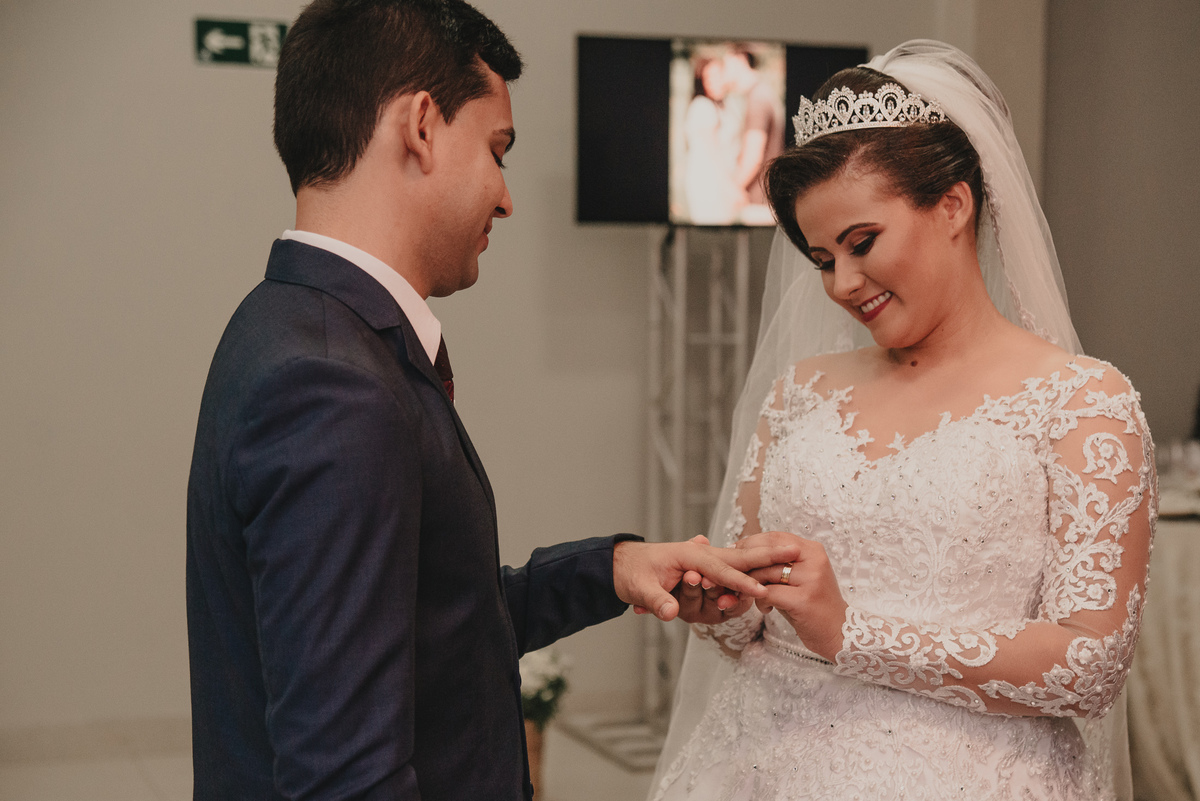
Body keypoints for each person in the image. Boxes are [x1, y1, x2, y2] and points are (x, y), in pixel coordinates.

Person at [184, 1, 802, 799]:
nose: (506, 197)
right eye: (496, 150)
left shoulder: (284, 320)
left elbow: (432, 622)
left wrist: (612, 567)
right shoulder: (333, 386)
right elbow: (347, 775)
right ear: (421, 127)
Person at [648, 40, 1156, 801]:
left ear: (953, 205)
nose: (842, 284)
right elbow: (750, 627)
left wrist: (851, 634)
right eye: (823, 258)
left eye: (862, 244)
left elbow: (1090, 666)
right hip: (756, 763)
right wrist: (720, 607)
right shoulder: (800, 392)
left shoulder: (1083, 404)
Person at [723, 46, 784, 225]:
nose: (724, 73)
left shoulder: (758, 98)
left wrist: (733, 189)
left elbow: (753, 156)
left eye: (726, 64)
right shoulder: (763, 93)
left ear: (740, 60)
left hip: (758, 204)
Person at [683, 55, 742, 224]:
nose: (716, 82)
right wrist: (731, 188)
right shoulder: (703, 106)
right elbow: (713, 153)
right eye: (709, 78)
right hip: (709, 184)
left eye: (719, 75)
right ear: (701, 81)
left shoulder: (726, 105)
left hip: (723, 180)